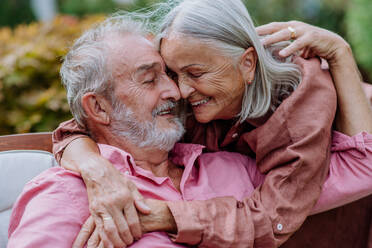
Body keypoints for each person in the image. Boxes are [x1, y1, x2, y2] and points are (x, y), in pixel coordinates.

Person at [7, 16, 372, 248]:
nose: (175, 91)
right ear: (98, 108)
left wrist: (339, 53)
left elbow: (361, 168)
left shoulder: (232, 166)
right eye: (152, 78)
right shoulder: (72, 192)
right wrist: (95, 169)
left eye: (172, 74)